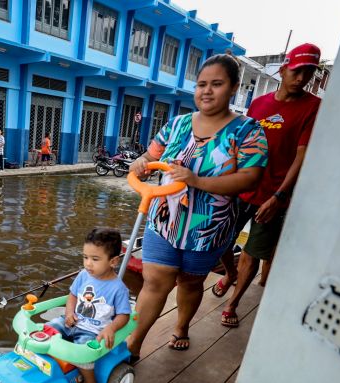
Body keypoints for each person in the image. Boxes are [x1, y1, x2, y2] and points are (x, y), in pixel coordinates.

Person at [126, 54, 268, 355]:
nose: (206, 90)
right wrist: (142, 162)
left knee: (190, 284)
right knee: (154, 283)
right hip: (163, 220)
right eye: (202, 84)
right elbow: (150, 156)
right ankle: (134, 345)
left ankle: (181, 326)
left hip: (208, 228)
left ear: (233, 88)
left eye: (216, 84)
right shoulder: (177, 124)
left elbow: (251, 178)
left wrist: (197, 180)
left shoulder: (248, 130)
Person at [215, 44, 322, 328]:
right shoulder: (259, 104)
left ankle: (232, 303)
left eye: (308, 72)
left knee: (253, 251)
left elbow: (303, 154)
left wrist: (279, 196)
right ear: (284, 69)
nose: (301, 78)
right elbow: (243, 144)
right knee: (219, 240)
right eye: (297, 71)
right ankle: (229, 274)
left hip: (275, 195)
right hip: (243, 187)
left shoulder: (313, 107)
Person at [46, 227, 131, 383]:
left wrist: (111, 328)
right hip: (72, 322)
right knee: (46, 330)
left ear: (113, 261)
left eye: (95, 259)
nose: (88, 264)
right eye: (85, 257)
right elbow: (72, 296)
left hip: (92, 331)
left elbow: (124, 315)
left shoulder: (118, 289)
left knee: (83, 354)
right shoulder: (84, 275)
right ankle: (44, 370)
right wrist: (69, 313)